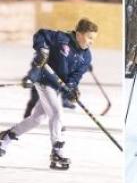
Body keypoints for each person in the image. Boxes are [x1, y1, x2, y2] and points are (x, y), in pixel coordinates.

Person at [0, 18, 98, 169]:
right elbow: (41, 34)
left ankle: (6, 137)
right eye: (89, 37)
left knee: (37, 119)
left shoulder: (86, 56)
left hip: (57, 87)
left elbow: (76, 76)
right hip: (44, 79)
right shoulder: (61, 38)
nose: (91, 41)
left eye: (93, 39)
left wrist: (72, 88)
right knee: (56, 113)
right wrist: (42, 51)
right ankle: (57, 150)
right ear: (79, 34)